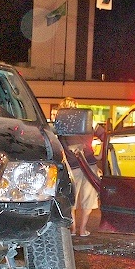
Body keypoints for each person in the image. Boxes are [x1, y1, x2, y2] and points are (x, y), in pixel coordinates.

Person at [57, 97, 99, 237]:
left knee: (71, 199)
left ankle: (73, 229)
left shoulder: (61, 123)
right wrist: (100, 154)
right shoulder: (87, 120)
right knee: (88, 198)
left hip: (71, 165)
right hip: (89, 164)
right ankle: (83, 229)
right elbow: (103, 133)